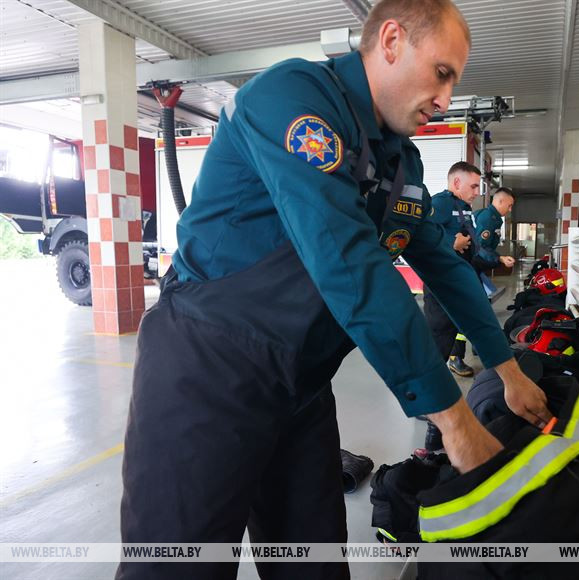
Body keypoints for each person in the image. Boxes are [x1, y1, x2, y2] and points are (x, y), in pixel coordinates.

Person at [116, 1, 552, 579]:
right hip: (206, 371)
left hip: (300, 384)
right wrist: (453, 418)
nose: (446, 100)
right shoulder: (293, 99)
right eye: (442, 73)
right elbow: (348, 262)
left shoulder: (401, 160)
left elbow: (442, 265)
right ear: (391, 41)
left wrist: (508, 370)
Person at [424, 161, 481, 378]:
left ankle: (453, 361)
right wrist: (451, 243)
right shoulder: (441, 203)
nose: (477, 192)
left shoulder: (464, 207)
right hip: (441, 284)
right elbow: (424, 234)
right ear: (457, 182)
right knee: (438, 336)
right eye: (474, 186)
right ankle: (430, 394)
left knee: (452, 332)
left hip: (459, 280)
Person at [474, 186, 516, 271]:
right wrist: (500, 258)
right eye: (509, 206)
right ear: (500, 201)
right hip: (471, 262)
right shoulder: (488, 218)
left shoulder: (495, 218)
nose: (510, 209)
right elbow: (480, 246)